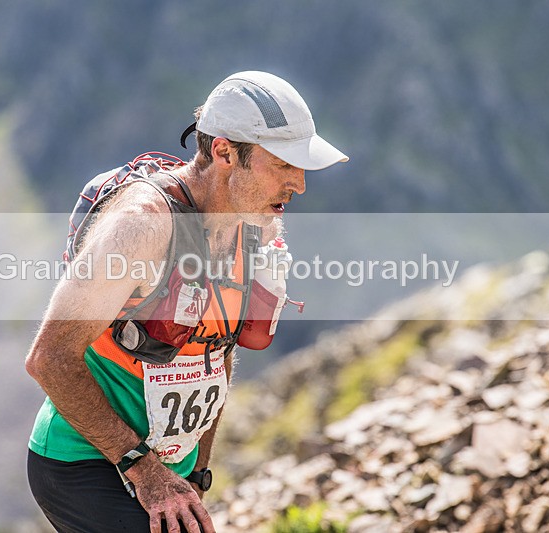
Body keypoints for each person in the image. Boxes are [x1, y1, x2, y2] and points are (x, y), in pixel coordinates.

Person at [25, 71, 348, 533]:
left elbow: (219, 349)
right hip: (84, 462)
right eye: (282, 165)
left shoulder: (256, 229)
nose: (298, 184)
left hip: (170, 468)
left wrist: (198, 468)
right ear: (223, 152)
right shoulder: (141, 226)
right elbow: (48, 358)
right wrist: (145, 470)